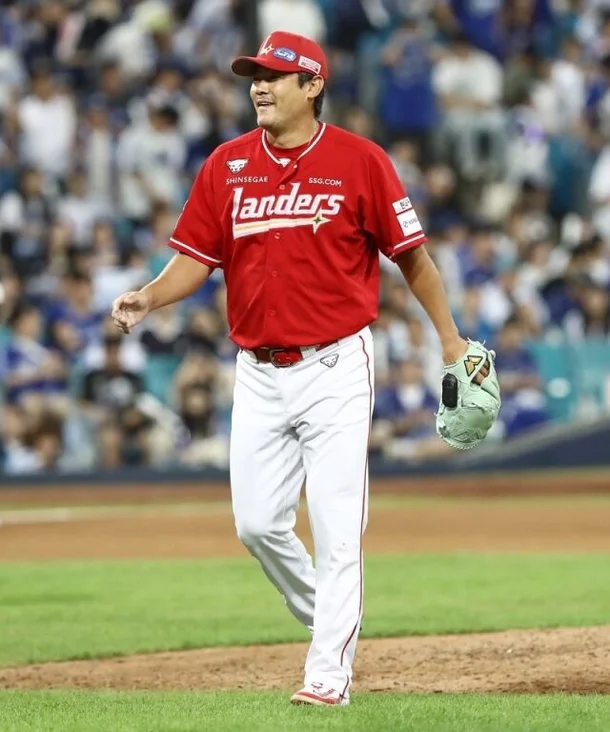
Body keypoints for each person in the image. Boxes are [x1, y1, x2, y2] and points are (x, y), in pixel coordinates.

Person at [111, 31, 490, 707]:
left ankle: (328, 675)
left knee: (338, 528)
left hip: (335, 365)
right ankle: (329, 619)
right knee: (257, 524)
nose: (259, 86)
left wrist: (449, 339)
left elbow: (412, 256)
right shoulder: (227, 164)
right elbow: (195, 259)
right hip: (257, 372)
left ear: (313, 85)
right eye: (254, 76)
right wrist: (149, 295)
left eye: (274, 76)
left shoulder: (360, 161)